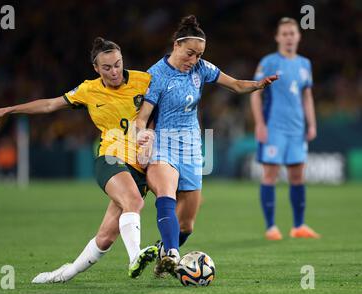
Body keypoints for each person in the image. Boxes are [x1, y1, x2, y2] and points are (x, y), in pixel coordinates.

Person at [0, 37, 158, 283]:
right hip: (111, 158)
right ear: (96, 69)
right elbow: (49, 106)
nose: (114, 71)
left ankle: (63, 274)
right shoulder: (88, 90)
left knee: (105, 237)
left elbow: (165, 109)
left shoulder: (144, 80)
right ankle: (134, 258)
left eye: (118, 64)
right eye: (107, 68)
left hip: (141, 164)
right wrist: (8, 110)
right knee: (133, 201)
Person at [136, 15, 278, 276]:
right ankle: (172, 255)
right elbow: (142, 117)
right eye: (190, 53)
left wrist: (257, 85)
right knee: (166, 193)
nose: (194, 60)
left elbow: (235, 84)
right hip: (163, 145)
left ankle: (161, 253)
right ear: (176, 46)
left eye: (199, 54)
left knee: (187, 225)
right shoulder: (155, 75)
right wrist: (142, 138)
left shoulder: (201, 68)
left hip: (191, 147)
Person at [250, 17, 320, 240]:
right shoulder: (269, 62)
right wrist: (260, 123)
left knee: (298, 175)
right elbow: (255, 94)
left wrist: (312, 123)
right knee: (270, 175)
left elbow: (307, 96)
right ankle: (271, 227)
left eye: (293, 33)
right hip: (274, 128)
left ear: (298, 36)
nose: (289, 37)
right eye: (285, 34)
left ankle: (298, 226)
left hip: (297, 129)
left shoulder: (304, 64)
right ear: (278, 37)